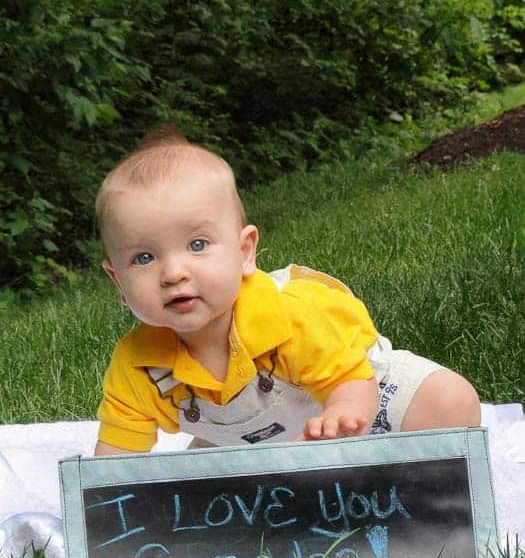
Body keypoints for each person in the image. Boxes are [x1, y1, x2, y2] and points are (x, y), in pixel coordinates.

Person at [94, 126, 480, 456]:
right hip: (258, 442)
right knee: (197, 488)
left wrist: (339, 419)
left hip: (361, 396)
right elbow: (113, 464)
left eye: (197, 245)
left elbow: (351, 382)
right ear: (118, 282)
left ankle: (391, 482)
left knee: (449, 401)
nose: (174, 273)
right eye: (144, 257)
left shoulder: (291, 313)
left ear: (245, 252)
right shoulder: (138, 366)